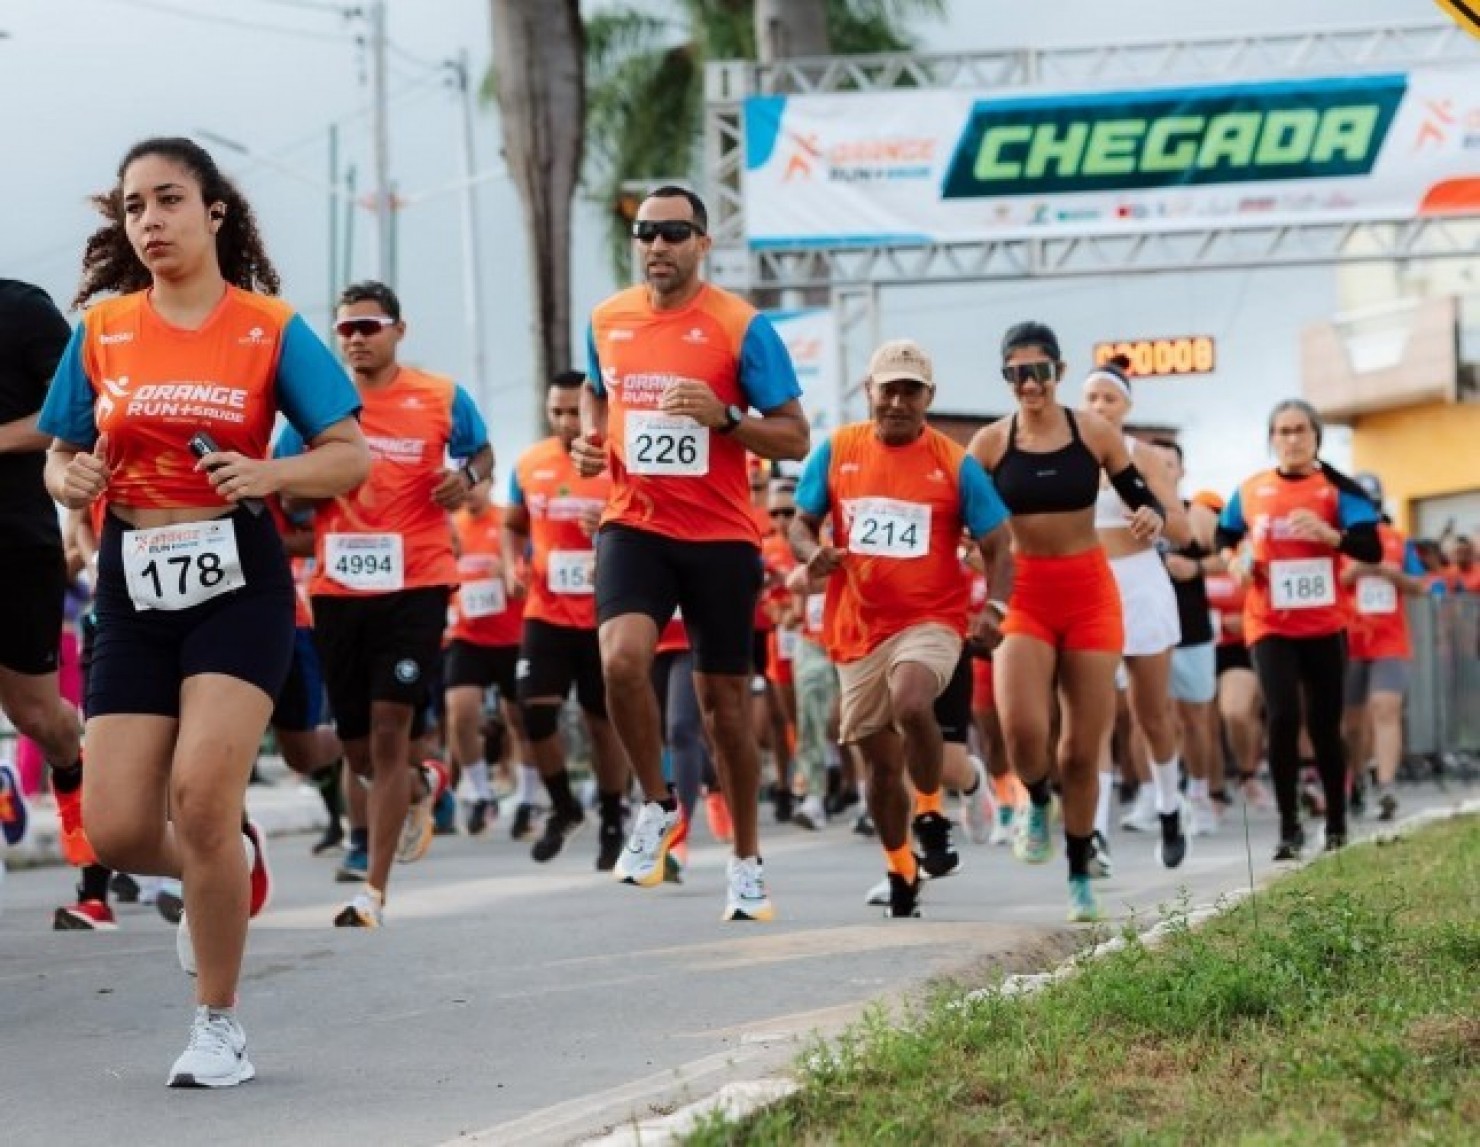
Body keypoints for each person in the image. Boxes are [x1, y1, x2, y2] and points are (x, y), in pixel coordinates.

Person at [38, 136, 369, 1088]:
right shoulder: (103, 330)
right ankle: (222, 859)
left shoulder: (268, 327)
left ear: (214, 212)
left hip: (237, 578)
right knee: (114, 827)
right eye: (133, 206)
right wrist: (71, 479)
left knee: (200, 796)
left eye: (169, 199)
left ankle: (218, 1025)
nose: (149, 221)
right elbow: (59, 456)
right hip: (133, 582)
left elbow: (348, 453)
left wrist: (269, 473)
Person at [572, 185, 809, 921]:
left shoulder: (741, 326)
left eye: (674, 233)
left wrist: (727, 418)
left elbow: (796, 435)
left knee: (725, 712)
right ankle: (657, 802)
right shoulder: (607, 319)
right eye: (646, 233)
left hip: (720, 535)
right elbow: (596, 390)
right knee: (619, 661)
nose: (657, 245)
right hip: (635, 522)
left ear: (703, 243)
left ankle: (746, 862)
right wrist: (590, 437)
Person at [278, 279, 492, 929]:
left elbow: (480, 451)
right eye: (345, 329)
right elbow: (284, 488)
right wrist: (309, 489)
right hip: (339, 590)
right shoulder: (316, 407)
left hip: (416, 583)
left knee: (392, 729)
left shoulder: (441, 396)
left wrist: (467, 477)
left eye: (368, 326)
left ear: (399, 330)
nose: (356, 339)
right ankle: (425, 783)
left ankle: (372, 890)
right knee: (360, 751)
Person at [794, 339, 1009, 918]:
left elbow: (998, 541)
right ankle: (900, 869)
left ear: (928, 397)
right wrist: (812, 554)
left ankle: (932, 815)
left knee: (912, 701)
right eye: (887, 389)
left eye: (910, 391)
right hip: (857, 627)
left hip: (931, 620)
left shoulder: (955, 463)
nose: (896, 402)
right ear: (869, 391)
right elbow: (802, 523)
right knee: (882, 770)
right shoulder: (837, 450)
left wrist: (996, 608)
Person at [968, 321, 1166, 923]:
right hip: (1025, 593)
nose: (1029, 384)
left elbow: (1140, 494)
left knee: (1082, 747)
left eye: (1039, 372)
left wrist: (1151, 515)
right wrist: (967, 557)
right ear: (1005, 377)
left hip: (1089, 594)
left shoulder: (1094, 433)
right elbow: (961, 518)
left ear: (1059, 371)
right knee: (1023, 729)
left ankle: (1080, 870)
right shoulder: (990, 444)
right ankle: (1035, 799)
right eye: (1016, 374)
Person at [1216, 398, 1382, 859]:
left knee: (1325, 725)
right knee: (1283, 717)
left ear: (1316, 437)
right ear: (1272, 439)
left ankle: (1337, 825)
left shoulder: (1336, 489)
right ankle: (1289, 827)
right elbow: (1224, 534)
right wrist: (1234, 560)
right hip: (1269, 622)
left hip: (1325, 624)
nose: (1291, 439)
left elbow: (1370, 547)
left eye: (1300, 430)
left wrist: (1330, 536)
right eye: (1283, 431)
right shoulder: (1251, 489)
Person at [504, 370, 631, 869]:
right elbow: (513, 526)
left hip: (603, 614)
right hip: (547, 611)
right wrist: (511, 564)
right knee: (533, 712)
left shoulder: (616, 460)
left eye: (573, 411)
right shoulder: (529, 463)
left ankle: (614, 815)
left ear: (592, 409)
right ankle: (563, 806)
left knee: (603, 721)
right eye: (556, 411)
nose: (565, 421)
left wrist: (610, 524)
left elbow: (646, 519)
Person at [0, 279, 92, 905]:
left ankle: (79, 786)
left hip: (13, 542)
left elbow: (79, 408)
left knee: (37, 716)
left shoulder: (21, 309)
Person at [1081, 359, 1190, 873]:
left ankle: (1169, 805)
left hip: (1141, 585)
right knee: (1095, 716)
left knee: (1151, 714)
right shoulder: (1071, 455)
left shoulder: (1143, 455)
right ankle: (1096, 833)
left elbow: (1185, 530)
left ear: (1126, 406)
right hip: (1090, 589)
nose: (1100, 406)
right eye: (1092, 398)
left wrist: (1155, 519)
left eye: (1110, 398)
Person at [1340, 472, 1426, 822]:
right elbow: (1331, 581)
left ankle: (1386, 786)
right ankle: (1357, 778)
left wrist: (1392, 575)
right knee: (1353, 723)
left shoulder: (1398, 541)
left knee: (1386, 707)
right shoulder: (1340, 540)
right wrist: (1356, 571)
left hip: (1390, 641)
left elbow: (1419, 585)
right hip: (1350, 641)